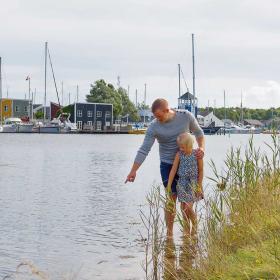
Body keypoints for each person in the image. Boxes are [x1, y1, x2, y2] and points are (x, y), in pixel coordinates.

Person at [125, 98, 205, 238]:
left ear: (167, 110)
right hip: (168, 165)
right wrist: (133, 171)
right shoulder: (154, 126)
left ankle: (187, 233)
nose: (157, 119)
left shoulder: (185, 116)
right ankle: (169, 235)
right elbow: (144, 149)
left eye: (159, 116)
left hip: (188, 163)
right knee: (171, 198)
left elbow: (199, 133)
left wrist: (202, 148)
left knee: (186, 203)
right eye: (155, 116)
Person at [167, 132, 203, 237]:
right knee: (183, 209)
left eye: (183, 147)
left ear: (189, 145)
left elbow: (201, 171)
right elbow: (173, 170)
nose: (181, 149)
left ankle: (195, 225)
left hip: (193, 183)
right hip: (182, 183)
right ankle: (187, 232)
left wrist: (199, 186)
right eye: (180, 147)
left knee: (188, 207)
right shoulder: (179, 154)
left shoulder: (197, 154)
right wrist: (169, 185)